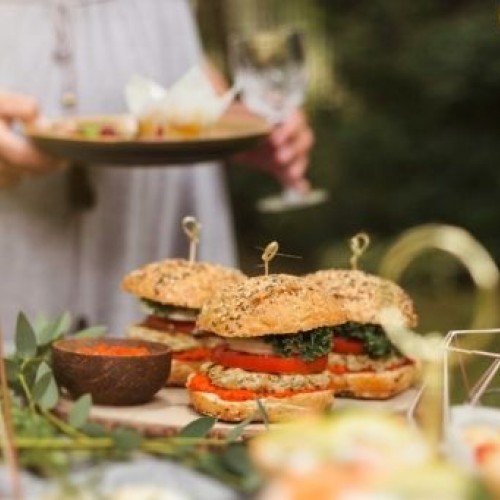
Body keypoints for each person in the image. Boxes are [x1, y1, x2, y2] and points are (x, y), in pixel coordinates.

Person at [0, 0, 314, 340]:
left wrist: (243, 125)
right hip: (22, 255)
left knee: (177, 364)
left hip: (153, 231)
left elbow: (182, 62)